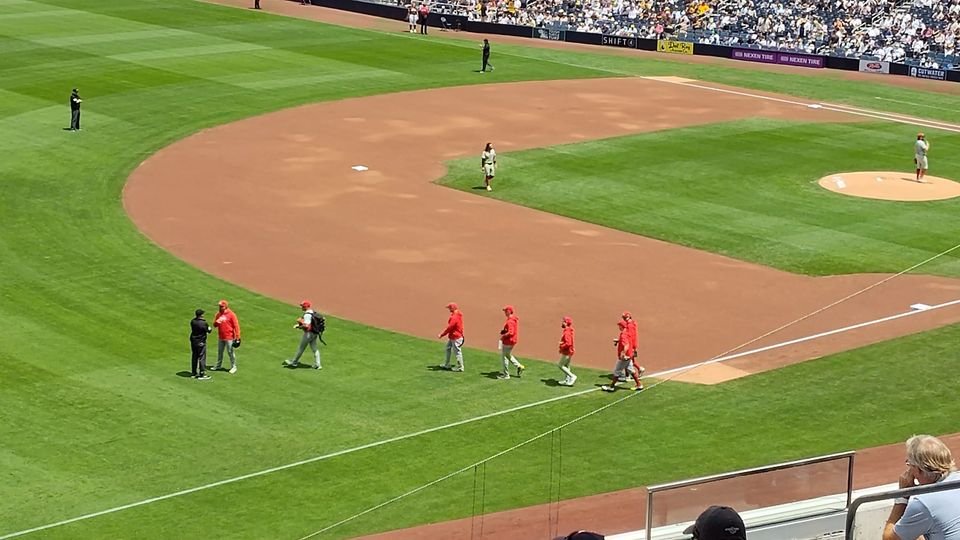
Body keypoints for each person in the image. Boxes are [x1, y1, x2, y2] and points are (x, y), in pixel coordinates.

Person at [883, 434, 960, 540]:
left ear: (919, 469)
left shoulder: (923, 504)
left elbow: (889, 539)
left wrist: (902, 496)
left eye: (910, 464)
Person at [601, 320, 643, 392]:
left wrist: (623, 354)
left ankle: (611, 387)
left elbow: (626, 345)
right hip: (629, 355)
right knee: (631, 370)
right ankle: (639, 385)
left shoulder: (623, 335)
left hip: (624, 357)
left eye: (619, 326)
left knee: (617, 371)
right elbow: (628, 342)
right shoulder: (627, 333)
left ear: (621, 326)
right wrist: (618, 341)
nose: (618, 327)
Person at [284, 300, 323, 370]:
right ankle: (318, 364)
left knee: (301, 348)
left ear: (306, 306)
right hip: (314, 333)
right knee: (315, 349)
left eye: (302, 306)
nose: (301, 307)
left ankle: (294, 362)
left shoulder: (307, 315)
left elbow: (307, 326)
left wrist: (298, 326)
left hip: (308, 334)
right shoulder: (313, 312)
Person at [213, 299, 241, 374]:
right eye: (219, 306)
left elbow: (236, 326)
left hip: (229, 337)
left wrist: (238, 337)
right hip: (221, 336)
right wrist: (217, 322)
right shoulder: (218, 314)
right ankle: (218, 365)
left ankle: (234, 366)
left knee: (230, 352)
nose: (219, 308)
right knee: (220, 352)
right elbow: (214, 325)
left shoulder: (231, 314)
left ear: (225, 307)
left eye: (221, 306)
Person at [498, 305, 525, 379]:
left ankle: (506, 375)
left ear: (509, 311)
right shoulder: (513, 319)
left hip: (508, 342)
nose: (505, 312)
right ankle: (519, 366)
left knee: (504, 357)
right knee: (508, 355)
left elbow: (511, 332)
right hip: (512, 341)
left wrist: (503, 336)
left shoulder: (510, 321)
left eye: (506, 311)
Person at [438, 302, 465, 372]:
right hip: (454, 336)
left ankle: (460, 367)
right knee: (448, 348)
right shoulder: (457, 314)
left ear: (452, 308)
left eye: (449, 308)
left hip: (456, 337)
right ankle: (447, 364)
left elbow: (449, 328)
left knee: (457, 352)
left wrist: (442, 334)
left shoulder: (454, 317)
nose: (449, 309)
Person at [620, 311, 645, 382]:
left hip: (631, 344)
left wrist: (630, 345)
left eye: (625, 317)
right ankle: (639, 369)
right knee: (630, 360)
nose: (624, 319)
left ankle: (628, 376)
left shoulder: (629, 325)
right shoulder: (633, 323)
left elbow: (630, 336)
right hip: (632, 343)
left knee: (626, 359)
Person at [190, 309, 212, 380]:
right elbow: (208, 330)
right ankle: (202, 373)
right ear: (201, 315)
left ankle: (194, 372)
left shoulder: (193, 321)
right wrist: (209, 328)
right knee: (202, 357)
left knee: (194, 356)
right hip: (201, 341)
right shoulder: (203, 323)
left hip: (193, 341)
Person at [557, 316, 577, 386]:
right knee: (567, 365)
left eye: (563, 321)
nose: (562, 323)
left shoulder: (567, 332)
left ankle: (572, 376)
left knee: (560, 365)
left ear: (566, 323)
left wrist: (561, 345)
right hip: (570, 351)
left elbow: (568, 343)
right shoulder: (569, 330)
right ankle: (567, 380)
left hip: (566, 351)